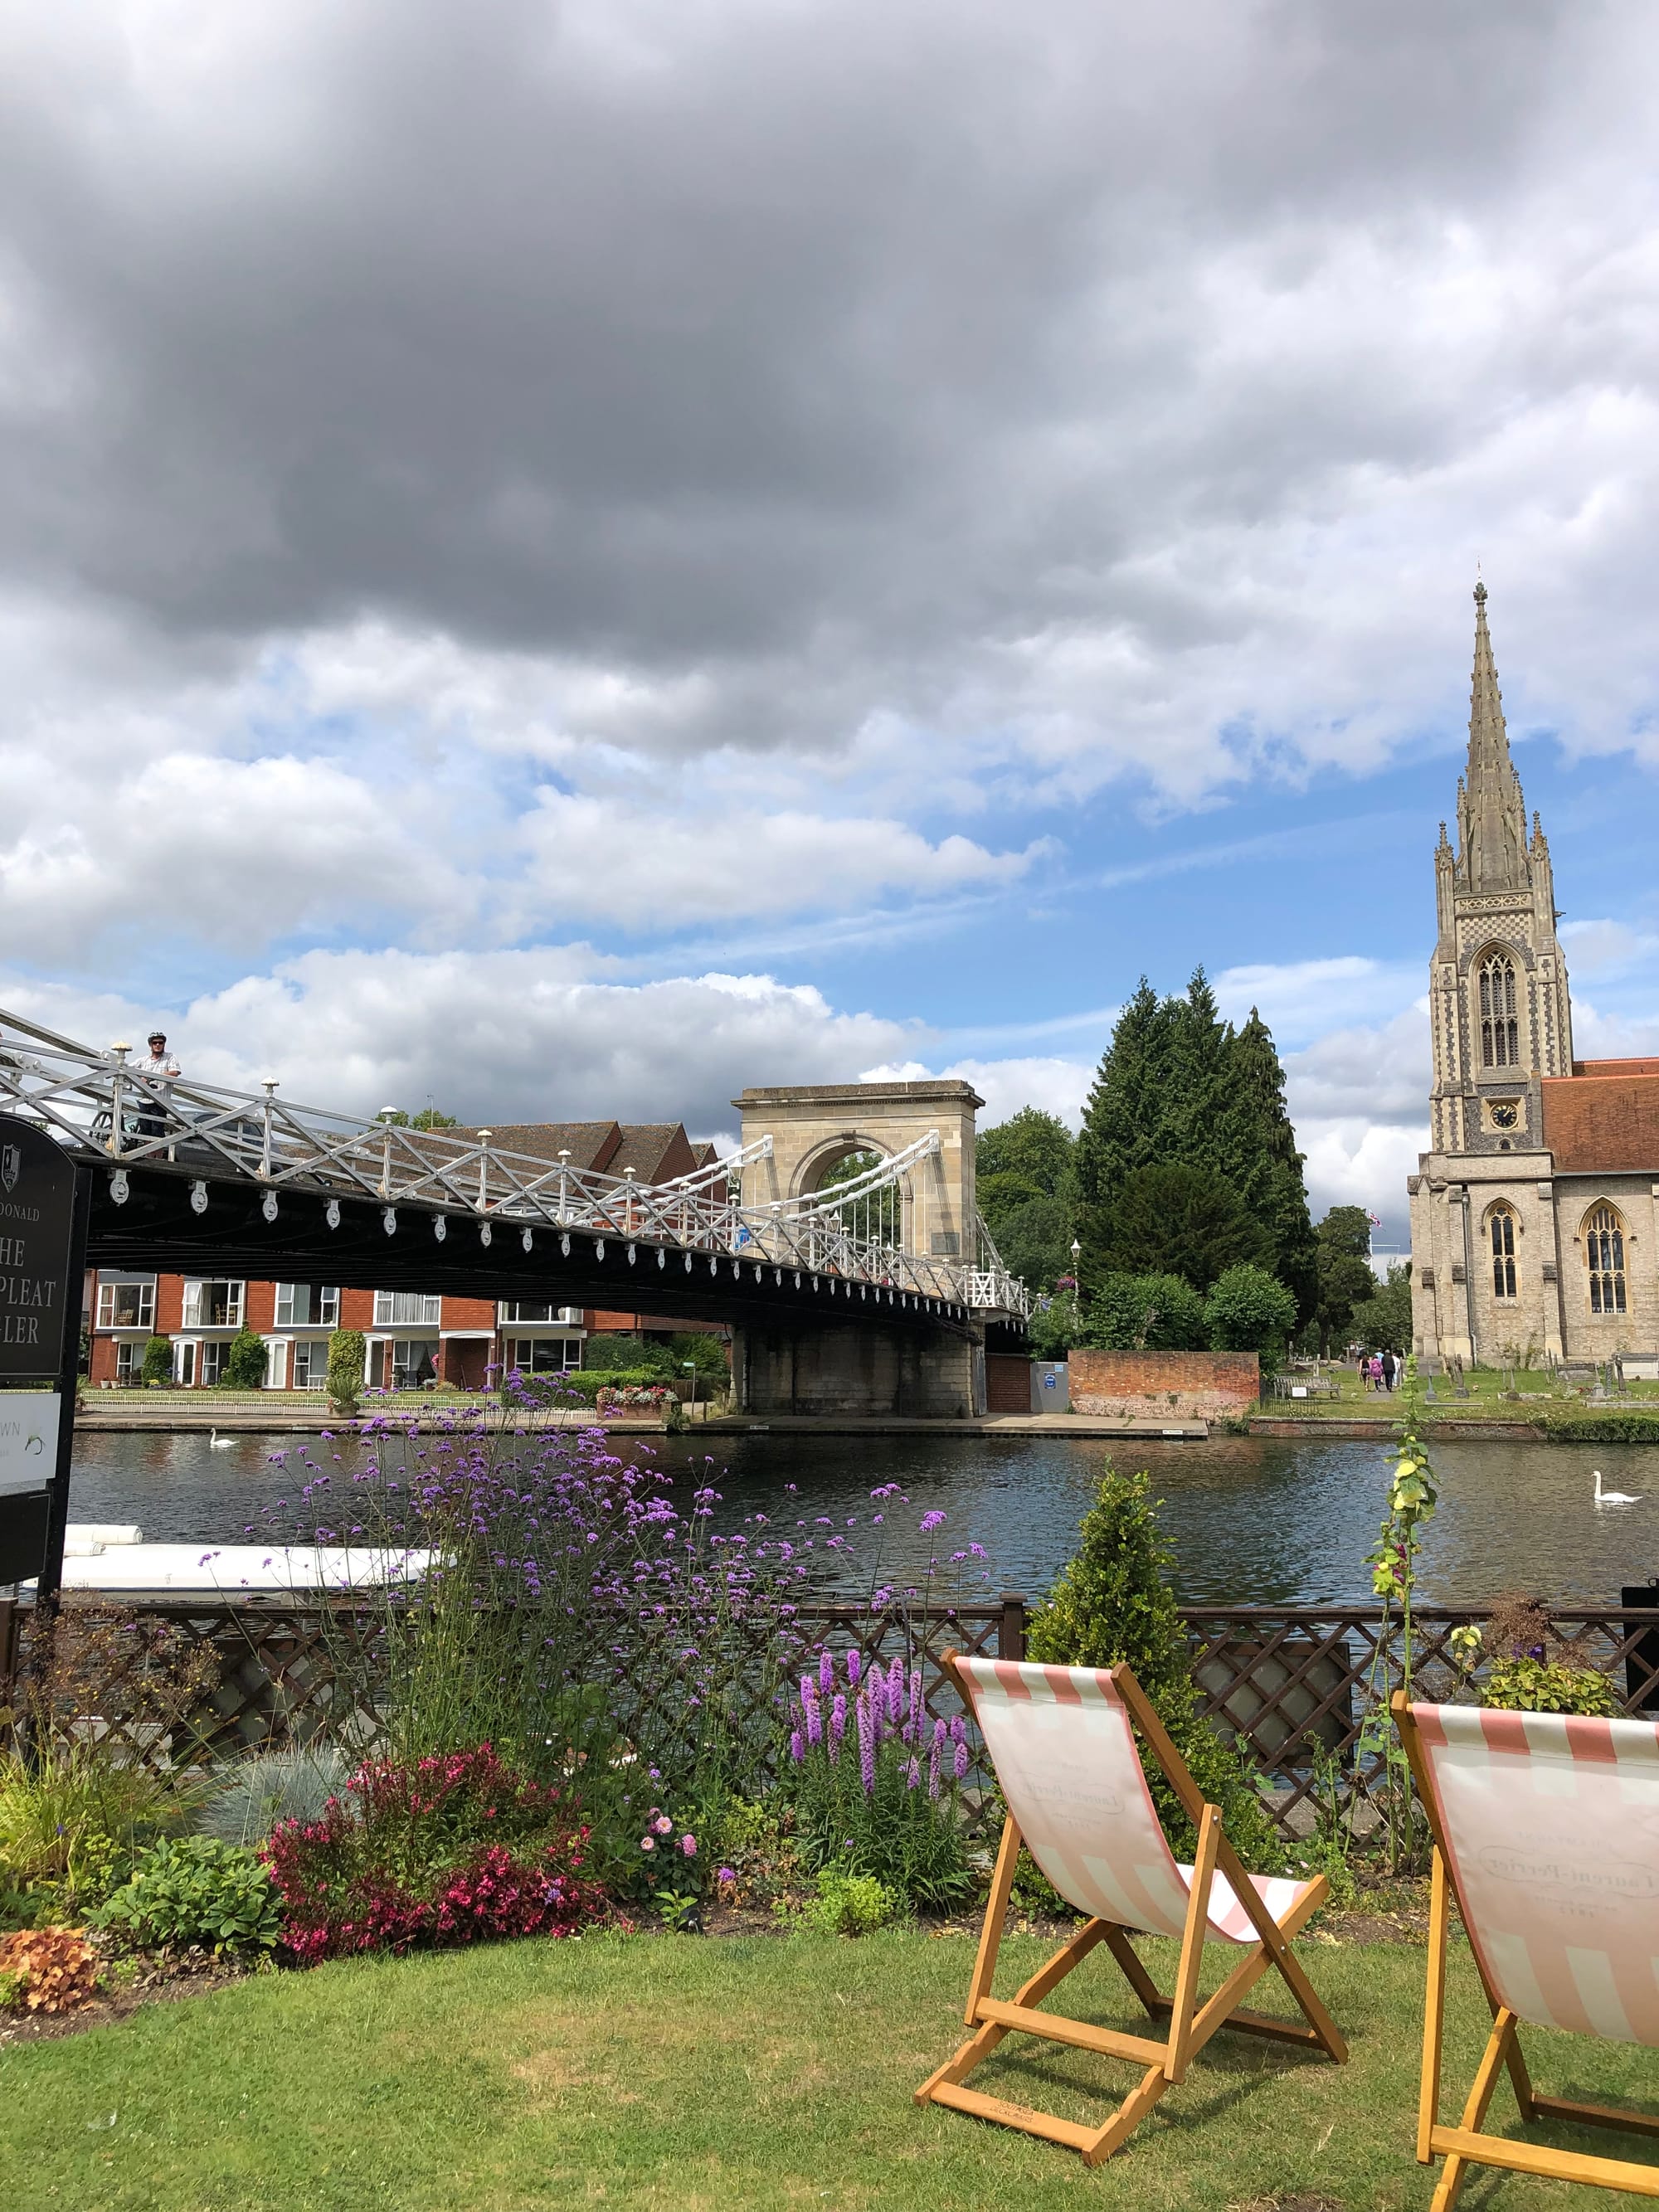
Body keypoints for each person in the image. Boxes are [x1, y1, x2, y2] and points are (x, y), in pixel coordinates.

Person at [134, 1029, 180, 1142]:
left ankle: (156, 1157)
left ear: (164, 1044)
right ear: (150, 1045)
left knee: (157, 1131)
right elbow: (128, 1069)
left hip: (160, 1100)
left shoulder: (170, 1057)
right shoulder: (143, 1060)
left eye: (160, 1042)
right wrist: (140, 1078)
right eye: (155, 1043)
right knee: (145, 1130)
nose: (158, 1045)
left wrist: (154, 1076)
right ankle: (147, 1155)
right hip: (144, 1099)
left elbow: (175, 1072)